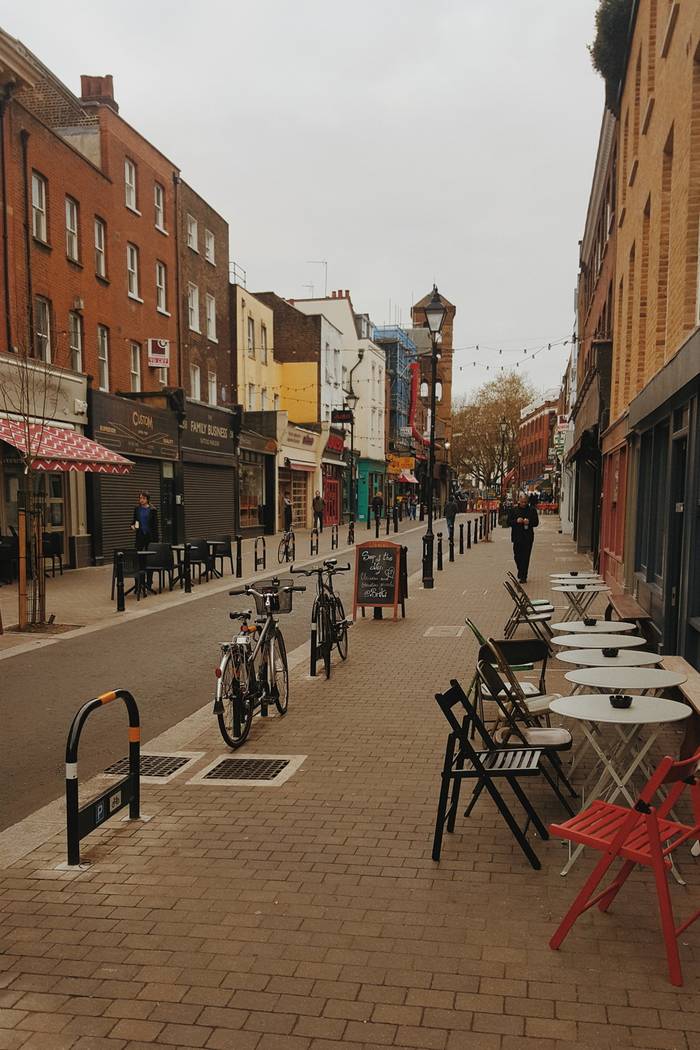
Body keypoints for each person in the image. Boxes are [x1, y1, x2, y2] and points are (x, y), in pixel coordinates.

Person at [507, 491, 539, 583]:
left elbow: (536, 523)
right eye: (522, 502)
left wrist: (529, 522)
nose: (524, 504)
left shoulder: (532, 510)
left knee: (526, 557)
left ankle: (523, 576)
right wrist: (516, 521)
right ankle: (520, 570)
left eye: (525, 502)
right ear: (519, 501)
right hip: (517, 537)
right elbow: (508, 522)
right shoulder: (514, 510)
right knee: (517, 556)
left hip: (528, 537)